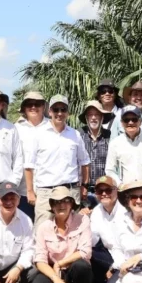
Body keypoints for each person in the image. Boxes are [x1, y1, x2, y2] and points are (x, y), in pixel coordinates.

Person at [29, 186, 94, 283]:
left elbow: (85, 251)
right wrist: (56, 279)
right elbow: (39, 260)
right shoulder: (43, 227)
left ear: (71, 204)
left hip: (73, 270)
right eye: (57, 202)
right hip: (54, 271)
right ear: (52, 206)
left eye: (65, 201)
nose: (61, 205)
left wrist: (60, 263)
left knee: (82, 266)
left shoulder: (82, 220)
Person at [25, 95, 91, 223]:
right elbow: (28, 165)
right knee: (42, 230)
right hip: (46, 193)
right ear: (49, 111)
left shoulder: (75, 135)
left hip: (70, 192)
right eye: (56, 109)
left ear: (68, 113)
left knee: (72, 230)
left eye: (63, 109)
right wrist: (30, 191)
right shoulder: (38, 134)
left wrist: (84, 186)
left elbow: (85, 162)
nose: (59, 113)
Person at [83, 176, 124, 283]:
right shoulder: (96, 212)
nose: (104, 194)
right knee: (86, 253)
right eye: (100, 191)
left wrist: (113, 268)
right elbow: (92, 242)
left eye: (108, 190)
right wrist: (84, 222)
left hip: (127, 258)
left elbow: (130, 249)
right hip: (110, 254)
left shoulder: (126, 210)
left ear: (116, 191)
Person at [14, 91, 51, 218]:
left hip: (47, 190)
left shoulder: (52, 127)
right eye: (29, 104)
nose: (33, 107)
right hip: (22, 191)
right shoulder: (16, 129)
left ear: (44, 107)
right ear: (24, 107)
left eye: (37, 104)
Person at [105, 105, 142, 189]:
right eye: (126, 120)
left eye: (134, 119)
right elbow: (110, 170)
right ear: (122, 123)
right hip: (127, 192)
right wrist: (120, 185)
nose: (130, 123)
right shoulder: (115, 143)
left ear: (140, 122)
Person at [77, 100, 116, 209]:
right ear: (86, 118)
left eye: (97, 114)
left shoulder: (110, 137)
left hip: (104, 191)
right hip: (83, 191)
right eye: (90, 115)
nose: (93, 118)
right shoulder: (78, 136)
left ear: (102, 117)